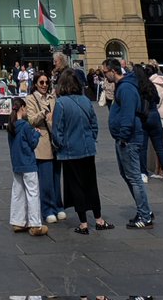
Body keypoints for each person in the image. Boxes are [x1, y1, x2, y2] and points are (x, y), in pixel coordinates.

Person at [52, 68, 113, 235]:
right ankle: (99, 220)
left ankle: (84, 224)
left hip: (70, 152)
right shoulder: (86, 101)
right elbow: (94, 125)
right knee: (91, 184)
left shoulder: (61, 103)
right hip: (87, 149)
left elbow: (57, 130)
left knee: (76, 186)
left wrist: (60, 145)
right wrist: (90, 140)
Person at [103, 57, 153, 229]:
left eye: (105, 72)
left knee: (134, 177)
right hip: (124, 138)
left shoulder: (126, 88)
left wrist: (124, 136)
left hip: (129, 139)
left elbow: (128, 114)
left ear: (112, 70)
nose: (104, 76)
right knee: (128, 175)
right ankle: (143, 210)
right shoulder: (124, 86)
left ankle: (145, 215)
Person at [25, 71, 65, 225]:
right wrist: (43, 113)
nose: (44, 85)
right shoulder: (30, 99)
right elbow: (31, 120)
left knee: (56, 177)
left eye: (47, 82)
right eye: (41, 82)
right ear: (35, 83)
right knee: (46, 179)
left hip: (55, 141)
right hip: (42, 142)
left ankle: (58, 205)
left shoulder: (52, 97)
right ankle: (47, 209)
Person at [6, 96, 46, 235]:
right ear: (22, 108)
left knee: (18, 192)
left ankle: (18, 221)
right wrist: (37, 134)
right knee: (32, 192)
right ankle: (35, 224)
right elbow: (32, 144)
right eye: (26, 109)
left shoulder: (11, 126)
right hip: (28, 164)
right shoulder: (26, 126)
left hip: (17, 164)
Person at [132, 63, 163, 183]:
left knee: (143, 148)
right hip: (154, 115)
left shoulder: (135, 86)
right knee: (160, 147)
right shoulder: (150, 84)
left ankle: (143, 174)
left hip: (142, 118)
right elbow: (156, 99)